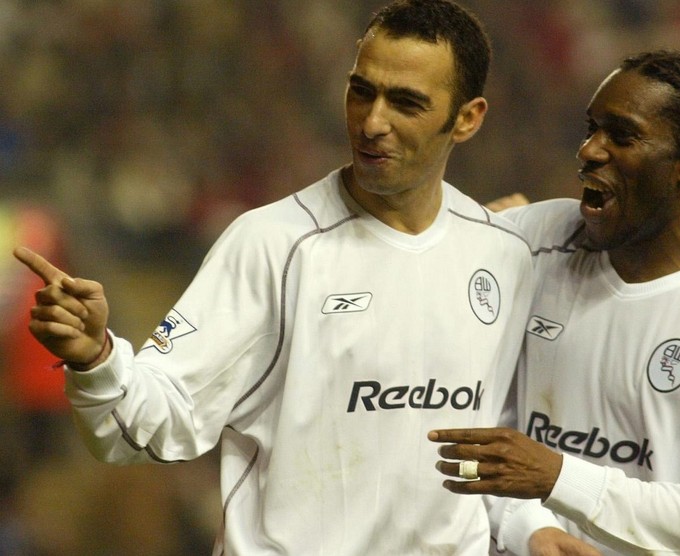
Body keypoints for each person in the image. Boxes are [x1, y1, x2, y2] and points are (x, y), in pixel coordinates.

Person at [12, 1, 535, 554]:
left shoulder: (503, 253)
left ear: (468, 118)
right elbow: (152, 423)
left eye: (406, 102)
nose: (373, 122)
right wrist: (95, 358)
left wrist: (531, 528)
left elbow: (506, 451)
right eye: (361, 91)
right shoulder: (273, 244)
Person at [429, 50, 680, 555]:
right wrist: (530, 529)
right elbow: (464, 421)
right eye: (591, 128)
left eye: (622, 136)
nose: (588, 151)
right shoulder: (531, 242)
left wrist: (560, 478)